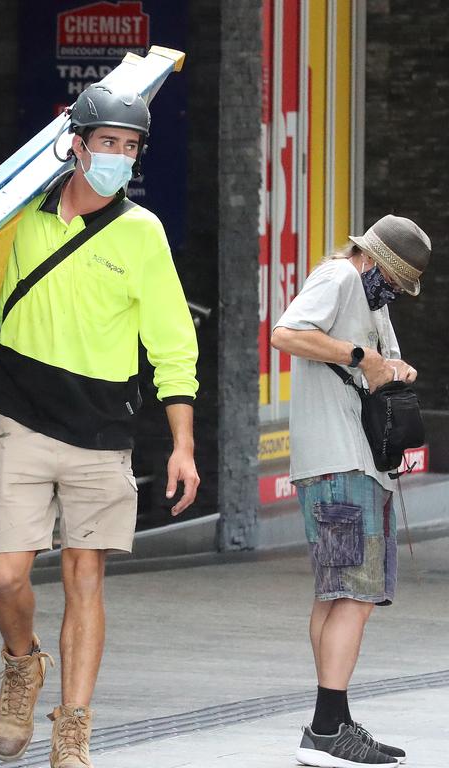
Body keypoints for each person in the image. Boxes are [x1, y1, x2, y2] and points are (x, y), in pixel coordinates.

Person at [0, 84, 200, 768]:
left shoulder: (142, 233)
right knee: (4, 575)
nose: (119, 157)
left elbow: (174, 347)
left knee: (84, 578)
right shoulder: (18, 218)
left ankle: (74, 726)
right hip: (22, 422)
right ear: (77, 145)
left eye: (131, 146)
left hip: (102, 432)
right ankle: (21, 662)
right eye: (109, 144)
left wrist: (182, 444)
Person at [271, 214, 431, 768]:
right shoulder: (340, 278)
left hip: (354, 463)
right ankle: (326, 728)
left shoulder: (374, 302)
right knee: (356, 597)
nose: (391, 290)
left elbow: (377, 370)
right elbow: (284, 333)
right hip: (341, 464)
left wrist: (394, 368)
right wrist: (361, 357)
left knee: (336, 595)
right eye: (389, 276)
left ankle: (330, 722)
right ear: (371, 258)